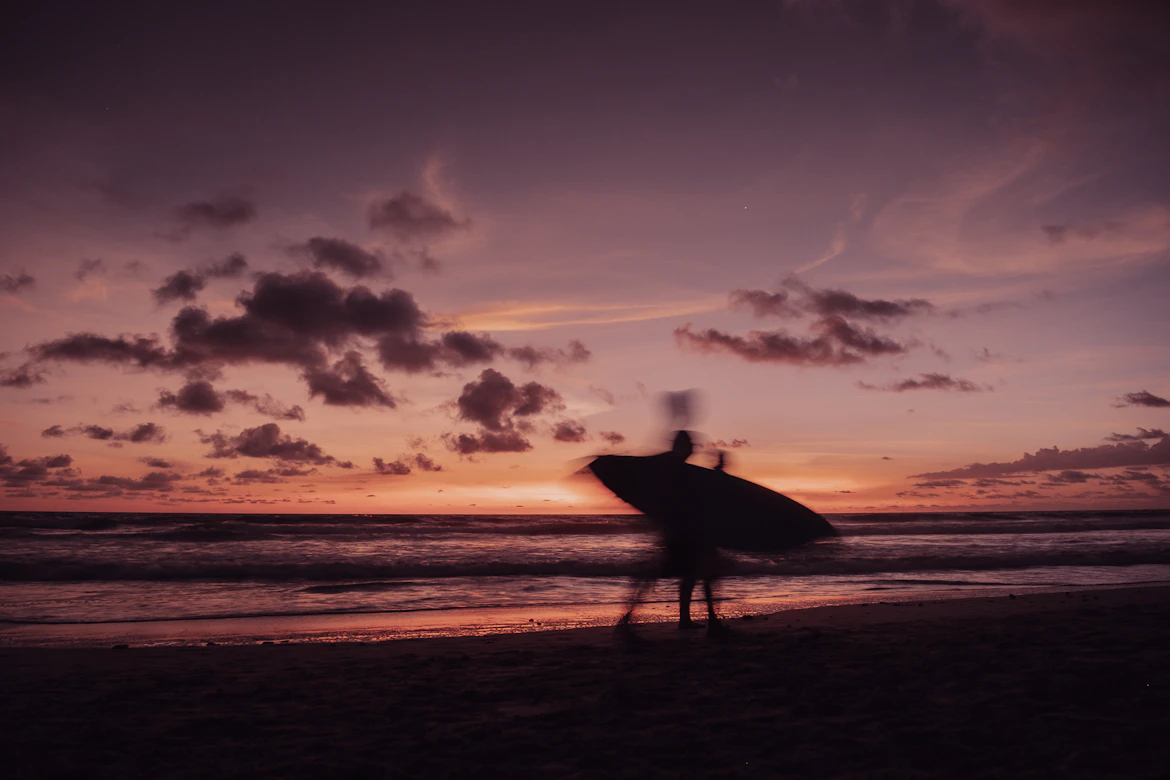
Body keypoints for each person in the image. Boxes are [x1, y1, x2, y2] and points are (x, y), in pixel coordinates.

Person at [616, 430, 729, 638]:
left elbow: (702, 493)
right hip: (681, 534)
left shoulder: (678, 468)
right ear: (681, 446)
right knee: (698, 575)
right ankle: (626, 622)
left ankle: (691, 621)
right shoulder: (672, 468)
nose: (693, 448)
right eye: (689, 445)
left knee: (692, 576)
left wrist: (718, 471)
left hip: (685, 532)